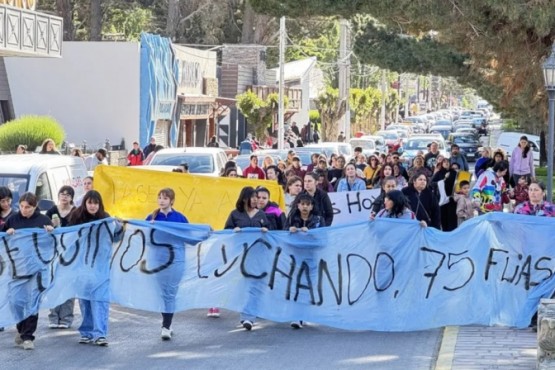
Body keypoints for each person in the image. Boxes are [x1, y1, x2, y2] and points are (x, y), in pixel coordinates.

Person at [3, 192, 54, 350]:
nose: (24, 210)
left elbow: (52, 244)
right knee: (16, 301)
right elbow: (2, 240)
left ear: (35, 207)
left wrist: (51, 232)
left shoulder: (43, 221)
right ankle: (21, 328)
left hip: (37, 268)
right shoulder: (13, 219)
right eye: (22, 207)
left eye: (28, 207)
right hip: (18, 268)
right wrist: (8, 233)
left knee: (33, 302)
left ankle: (28, 336)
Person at [67, 190, 112, 346]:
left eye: (95, 203)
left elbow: (116, 237)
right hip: (82, 266)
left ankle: (100, 334)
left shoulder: (106, 218)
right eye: (90, 202)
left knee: (100, 300)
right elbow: (67, 237)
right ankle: (86, 332)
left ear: (99, 204)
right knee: (85, 300)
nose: (93, 206)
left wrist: (120, 226)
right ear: (85, 203)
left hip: (100, 268)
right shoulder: (77, 217)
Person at [145, 188, 190, 338]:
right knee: (161, 292)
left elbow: (190, 237)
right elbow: (143, 236)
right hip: (157, 261)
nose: (162, 200)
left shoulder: (180, 218)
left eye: (165, 198)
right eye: (159, 198)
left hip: (176, 260)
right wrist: (150, 228)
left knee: (170, 292)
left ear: (172, 200)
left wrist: (205, 232)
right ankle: (166, 322)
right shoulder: (152, 217)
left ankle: (166, 326)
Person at [224, 187, 270, 331]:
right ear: (245, 198)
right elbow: (225, 232)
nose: (256, 199)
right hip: (241, 256)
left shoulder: (261, 214)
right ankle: (246, 312)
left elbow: (272, 234)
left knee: (255, 286)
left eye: (257, 197)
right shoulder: (235, 214)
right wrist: (233, 231)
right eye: (253, 196)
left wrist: (265, 231)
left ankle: (248, 317)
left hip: (258, 256)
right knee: (244, 286)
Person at [284, 192, 325, 329]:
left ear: (312, 206)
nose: (305, 207)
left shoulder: (318, 220)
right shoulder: (291, 218)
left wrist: (311, 233)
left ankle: (303, 314)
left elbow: (323, 239)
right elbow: (282, 236)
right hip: (295, 256)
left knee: (308, 286)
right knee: (295, 285)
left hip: (312, 257)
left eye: (308, 204)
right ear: (298, 205)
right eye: (302, 204)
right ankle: (297, 316)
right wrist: (290, 230)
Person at [46, 186, 76, 329]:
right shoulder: (51, 211)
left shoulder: (76, 212)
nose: (64, 197)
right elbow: (43, 228)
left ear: (71, 197)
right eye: (62, 194)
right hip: (54, 253)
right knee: (54, 285)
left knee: (68, 285)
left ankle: (66, 318)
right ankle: (53, 316)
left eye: (67, 195)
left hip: (71, 254)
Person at [431, 157, 458, 231]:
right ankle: (445, 232)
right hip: (442, 199)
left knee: (452, 217)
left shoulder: (454, 173)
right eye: (444, 162)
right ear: (442, 164)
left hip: (452, 198)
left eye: (448, 162)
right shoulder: (439, 173)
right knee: (443, 216)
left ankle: (452, 233)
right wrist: (442, 180)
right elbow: (431, 183)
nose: (446, 163)